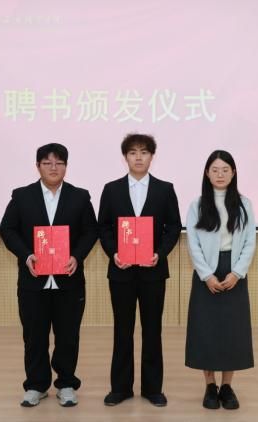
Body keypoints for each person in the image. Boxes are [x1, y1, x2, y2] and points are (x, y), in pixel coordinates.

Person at [0, 143, 98, 408]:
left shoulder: (80, 197)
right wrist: (26, 255)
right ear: (38, 166)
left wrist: (77, 256)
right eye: (47, 163)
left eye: (59, 163)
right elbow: (7, 230)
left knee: (68, 336)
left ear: (66, 166)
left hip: (69, 280)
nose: (53, 168)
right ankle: (36, 385)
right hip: (33, 280)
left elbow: (91, 231)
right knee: (34, 336)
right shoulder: (22, 196)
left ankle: (66, 384)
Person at [98, 133, 181, 407]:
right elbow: (104, 227)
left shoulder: (164, 189)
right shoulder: (111, 189)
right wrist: (114, 253)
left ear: (151, 157)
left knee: (152, 330)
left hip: (153, 271)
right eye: (133, 152)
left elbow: (173, 227)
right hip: (121, 271)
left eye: (144, 152)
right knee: (122, 330)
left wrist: (160, 253)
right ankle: (120, 388)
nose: (138, 157)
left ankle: (152, 388)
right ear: (125, 157)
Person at [185, 150, 256, 410]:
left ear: (233, 173)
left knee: (231, 332)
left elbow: (250, 241)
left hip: (234, 271)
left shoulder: (244, 204)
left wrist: (237, 272)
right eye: (215, 170)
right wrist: (206, 275)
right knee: (207, 331)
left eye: (225, 170)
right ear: (207, 173)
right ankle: (210, 386)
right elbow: (193, 244)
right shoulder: (197, 205)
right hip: (207, 273)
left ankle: (227, 386)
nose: (220, 174)